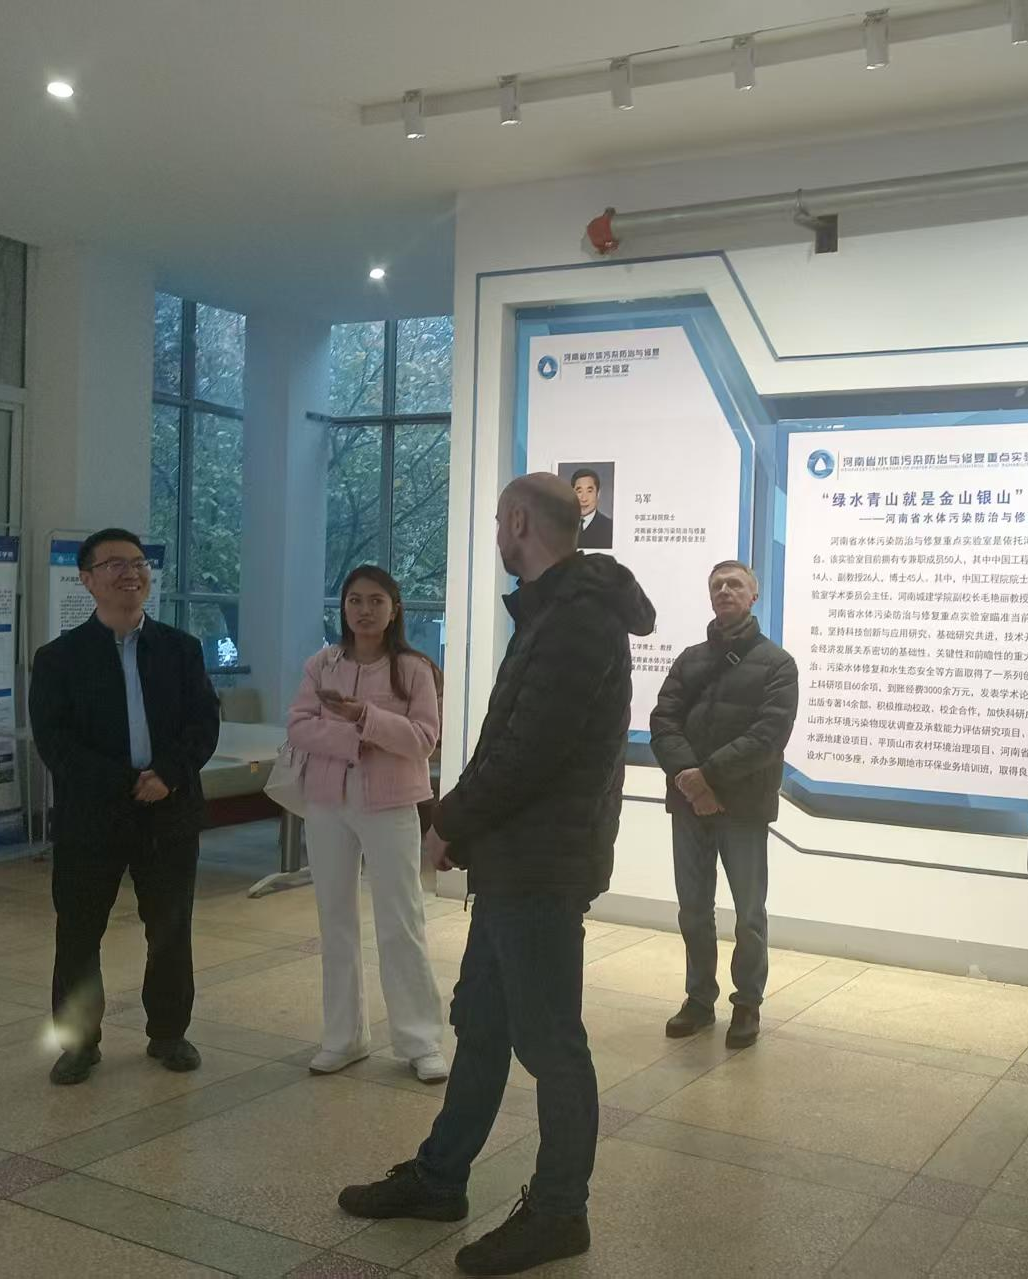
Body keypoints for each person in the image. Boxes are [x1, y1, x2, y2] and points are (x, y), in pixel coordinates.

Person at [338, 473, 655, 1277]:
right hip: (517, 856)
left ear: (517, 520)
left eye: (498, 522)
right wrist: (468, 822)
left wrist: (451, 820)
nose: (497, 534)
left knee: (551, 1041)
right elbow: (505, 739)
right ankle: (441, 1176)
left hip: (542, 864)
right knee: (482, 1021)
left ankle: (560, 1211)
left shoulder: (578, 619)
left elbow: (530, 750)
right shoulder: (553, 609)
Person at [28, 527, 220, 1086]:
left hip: (169, 810)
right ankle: (78, 1044)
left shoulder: (181, 649)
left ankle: (169, 1033)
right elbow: (55, 741)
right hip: (92, 815)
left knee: (170, 928)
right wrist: (126, 783)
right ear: (87, 580)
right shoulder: (59, 658)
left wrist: (168, 776)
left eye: (137, 562)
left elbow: (203, 723)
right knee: (79, 931)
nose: (130, 572)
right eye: (114, 564)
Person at [286, 566, 447, 1083]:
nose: (364, 610)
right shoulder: (322, 663)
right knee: (334, 919)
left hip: (391, 803)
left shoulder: (414, 668)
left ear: (394, 608)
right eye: (355, 600)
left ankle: (420, 1040)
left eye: (376, 600)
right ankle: (343, 1036)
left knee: (401, 920)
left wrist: (364, 718)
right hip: (327, 803)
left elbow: (423, 739)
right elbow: (298, 727)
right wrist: (356, 738)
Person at [649, 560, 799, 1049]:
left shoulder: (777, 664)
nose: (724, 591)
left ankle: (747, 1003)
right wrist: (692, 783)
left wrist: (708, 778)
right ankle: (699, 999)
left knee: (749, 914)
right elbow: (663, 722)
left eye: (735, 584)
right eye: (717, 585)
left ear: (754, 595)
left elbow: (768, 735)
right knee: (693, 910)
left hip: (744, 807)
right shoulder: (690, 660)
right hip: (689, 806)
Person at [570, 468, 613, 550]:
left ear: (598, 494)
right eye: (579, 491)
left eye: (589, 491)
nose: (584, 498)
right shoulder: (562, 527)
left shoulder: (609, 527)